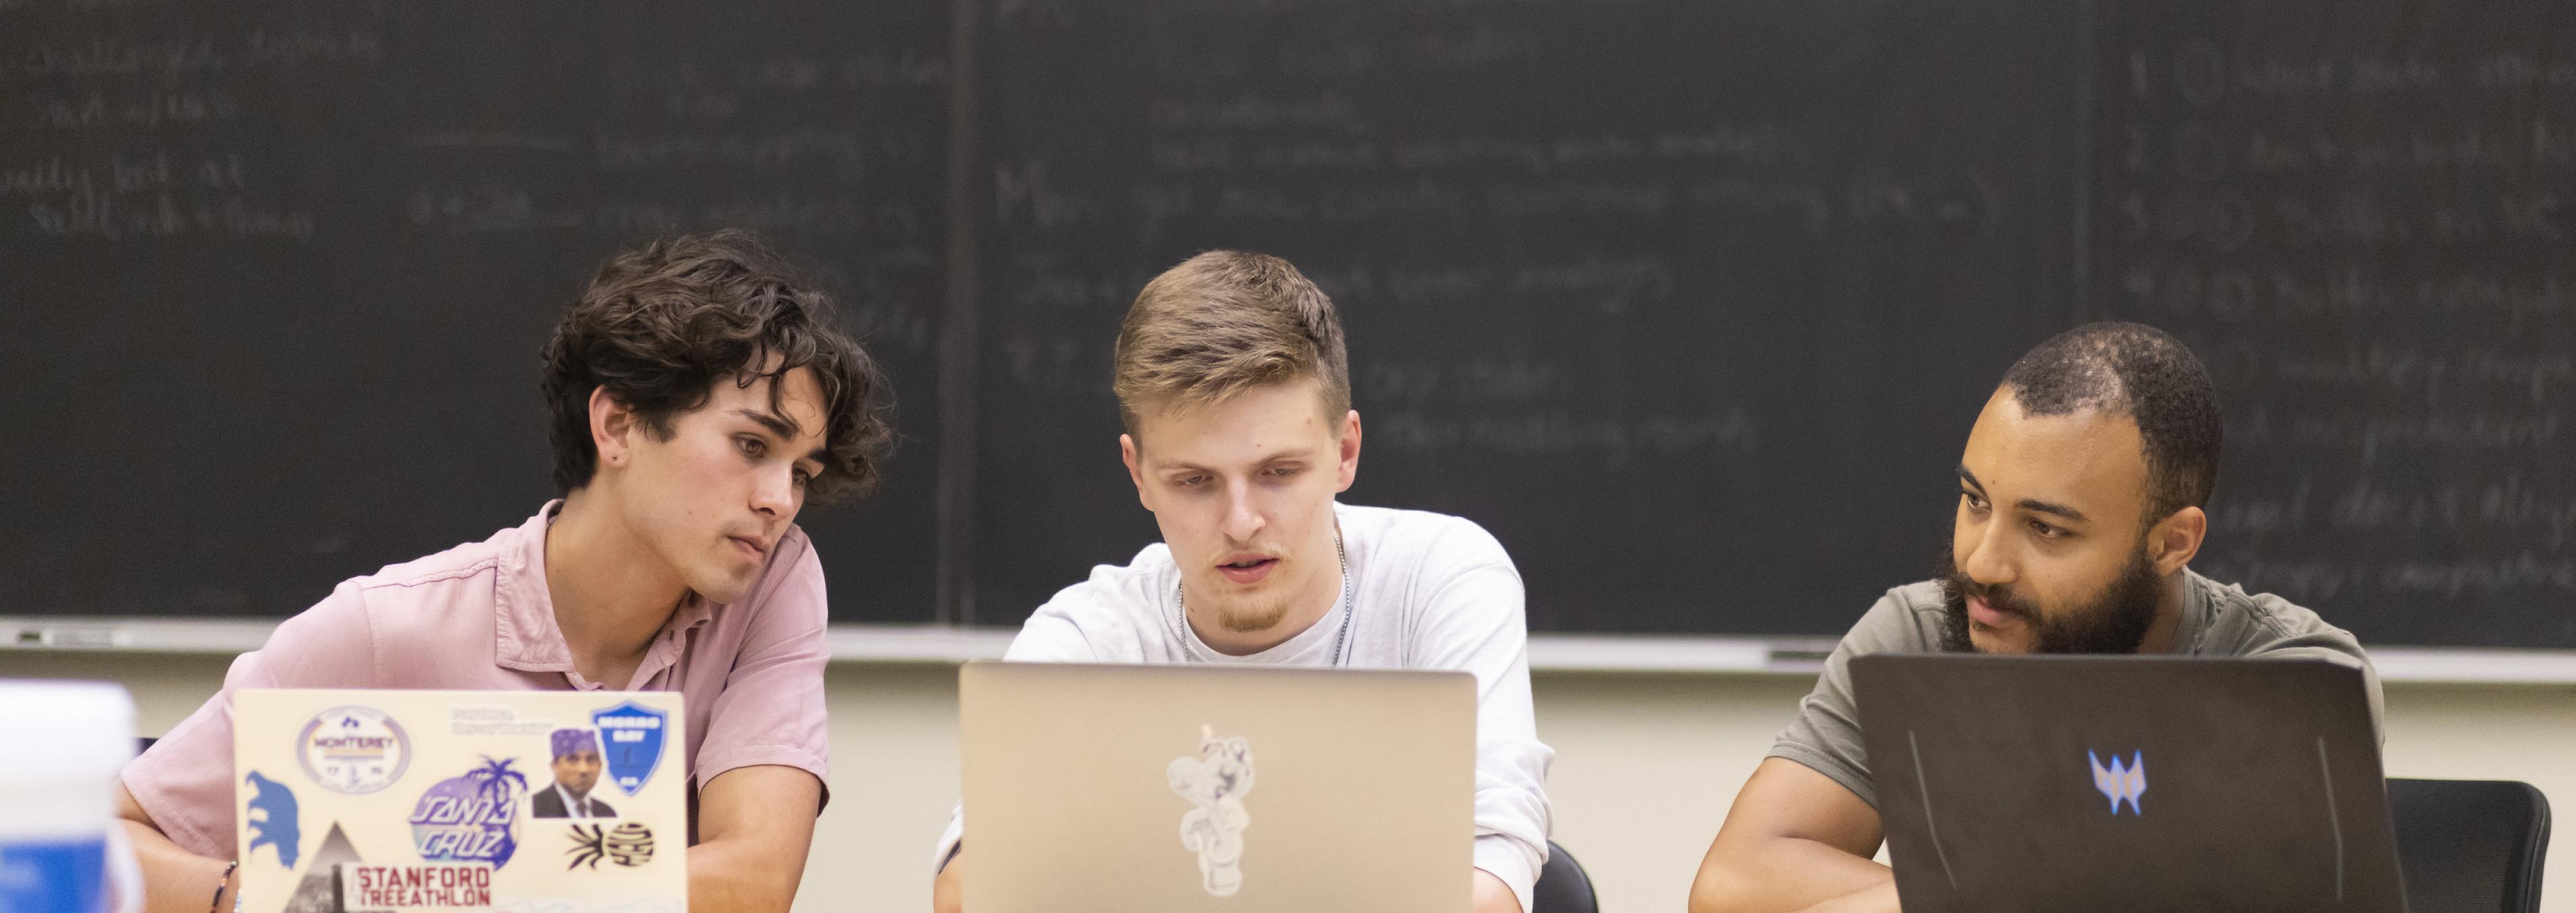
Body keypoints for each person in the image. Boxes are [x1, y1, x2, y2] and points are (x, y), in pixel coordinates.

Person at [115, 230, 893, 913]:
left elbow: (753, 883)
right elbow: (108, 840)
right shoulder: (384, 627)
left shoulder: (773, 581)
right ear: (617, 423)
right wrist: (261, 895)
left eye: (802, 471)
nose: (779, 501)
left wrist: (433, 886)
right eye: (754, 446)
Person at [1686, 322, 2384, 913]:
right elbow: (1732, 885)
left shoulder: (2299, 681)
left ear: (2171, 542)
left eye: (2046, 529)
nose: (1983, 564)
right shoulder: (1920, 634)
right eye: (1975, 500)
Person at [929, 251, 1553, 913]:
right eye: (1194, 481)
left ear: (1344, 452)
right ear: (1138, 473)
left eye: (1278, 472)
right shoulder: (1089, 636)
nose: (1241, 522)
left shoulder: (1441, 578)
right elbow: (971, 887)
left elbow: (1494, 872)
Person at [531, 729, 617, 819]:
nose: (583, 769)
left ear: (600, 766)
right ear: (554, 766)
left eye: (591, 759)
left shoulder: (607, 813)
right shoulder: (533, 809)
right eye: (573, 759)